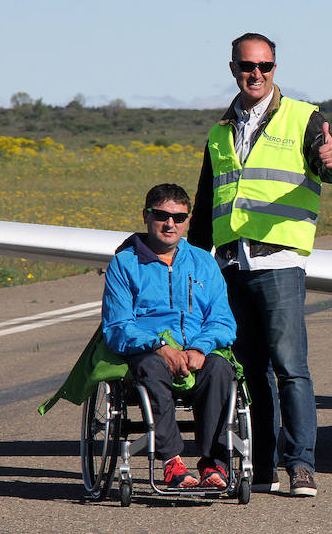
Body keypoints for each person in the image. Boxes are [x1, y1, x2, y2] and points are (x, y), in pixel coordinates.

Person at [188, 32, 332, 497]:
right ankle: (262, 467)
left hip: (279, 261)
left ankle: (301, 466)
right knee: (250, 371)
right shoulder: (220, 131)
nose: (255, 74)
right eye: (247, 66)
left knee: (290, 368)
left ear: (275, 69)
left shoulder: (305, 118)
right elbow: (206, 204)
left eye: (264, 66)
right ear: (233, 69)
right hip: (231, 266)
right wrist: (192, 263)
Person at [102, 183, 237, 490]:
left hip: (196, 349)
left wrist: (201, 348)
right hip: (148, 352)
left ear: (188, 220)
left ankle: (213, 463)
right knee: (151, 367)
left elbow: (222, 320)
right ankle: (172, 461)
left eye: (179, 217)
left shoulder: (203, 262)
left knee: (220, 369)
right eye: (161, 215)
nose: (170, 223)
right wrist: (159, 345)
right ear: (146, 216)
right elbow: (117, 325)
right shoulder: (124, 264)